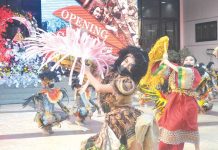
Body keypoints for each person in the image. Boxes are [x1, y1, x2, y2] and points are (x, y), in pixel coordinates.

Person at [81, 46, 159, 150]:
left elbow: (99, 88)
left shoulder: (128, 83)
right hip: (112, 119)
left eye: (130, 65)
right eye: (125, 61)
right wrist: (94, 70)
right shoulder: (115, 75)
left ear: (136, 69)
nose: (125, 65)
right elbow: (100, 83)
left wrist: (87, 72)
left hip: (122, 121)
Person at [157, 54, 201, 150]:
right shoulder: (175, 70)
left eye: (191, 60)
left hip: (186, 104)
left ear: (195, 63)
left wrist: (167, 62)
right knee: (167, 129)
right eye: (186, 59)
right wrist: (163, 61)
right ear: (183, 62)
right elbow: (161, 73)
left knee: (175, 128)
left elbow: (183, 72)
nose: (188, 61)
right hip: (173, 102)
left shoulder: (194, 72)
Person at [23, 71, 69, 135]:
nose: (52, 82)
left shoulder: (55, 92)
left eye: (52, 81)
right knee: (49, 118)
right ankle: (45, 127)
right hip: (45, 116)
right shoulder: (40, 95)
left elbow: (59, 102)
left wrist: (66, 110)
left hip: (51, 115)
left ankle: (49, 126)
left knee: (64, 115)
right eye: (50, 81)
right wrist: (40, 121)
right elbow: (39, 110)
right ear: (45, 83)